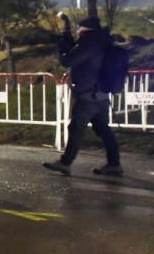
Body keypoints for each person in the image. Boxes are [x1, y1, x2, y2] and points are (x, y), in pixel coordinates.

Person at [42, 15, 122, 177]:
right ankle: (114, 164)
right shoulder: (100, 41)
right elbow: (79, 56)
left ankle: (65, 163)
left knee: (76, 128)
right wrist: (69, 40)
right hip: (100, 94)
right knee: (103, 129)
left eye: (79, 29)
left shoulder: (89, 43)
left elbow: (68, 60)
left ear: (86, 29)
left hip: (88, 96)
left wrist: (63, 46)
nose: (78, 32)